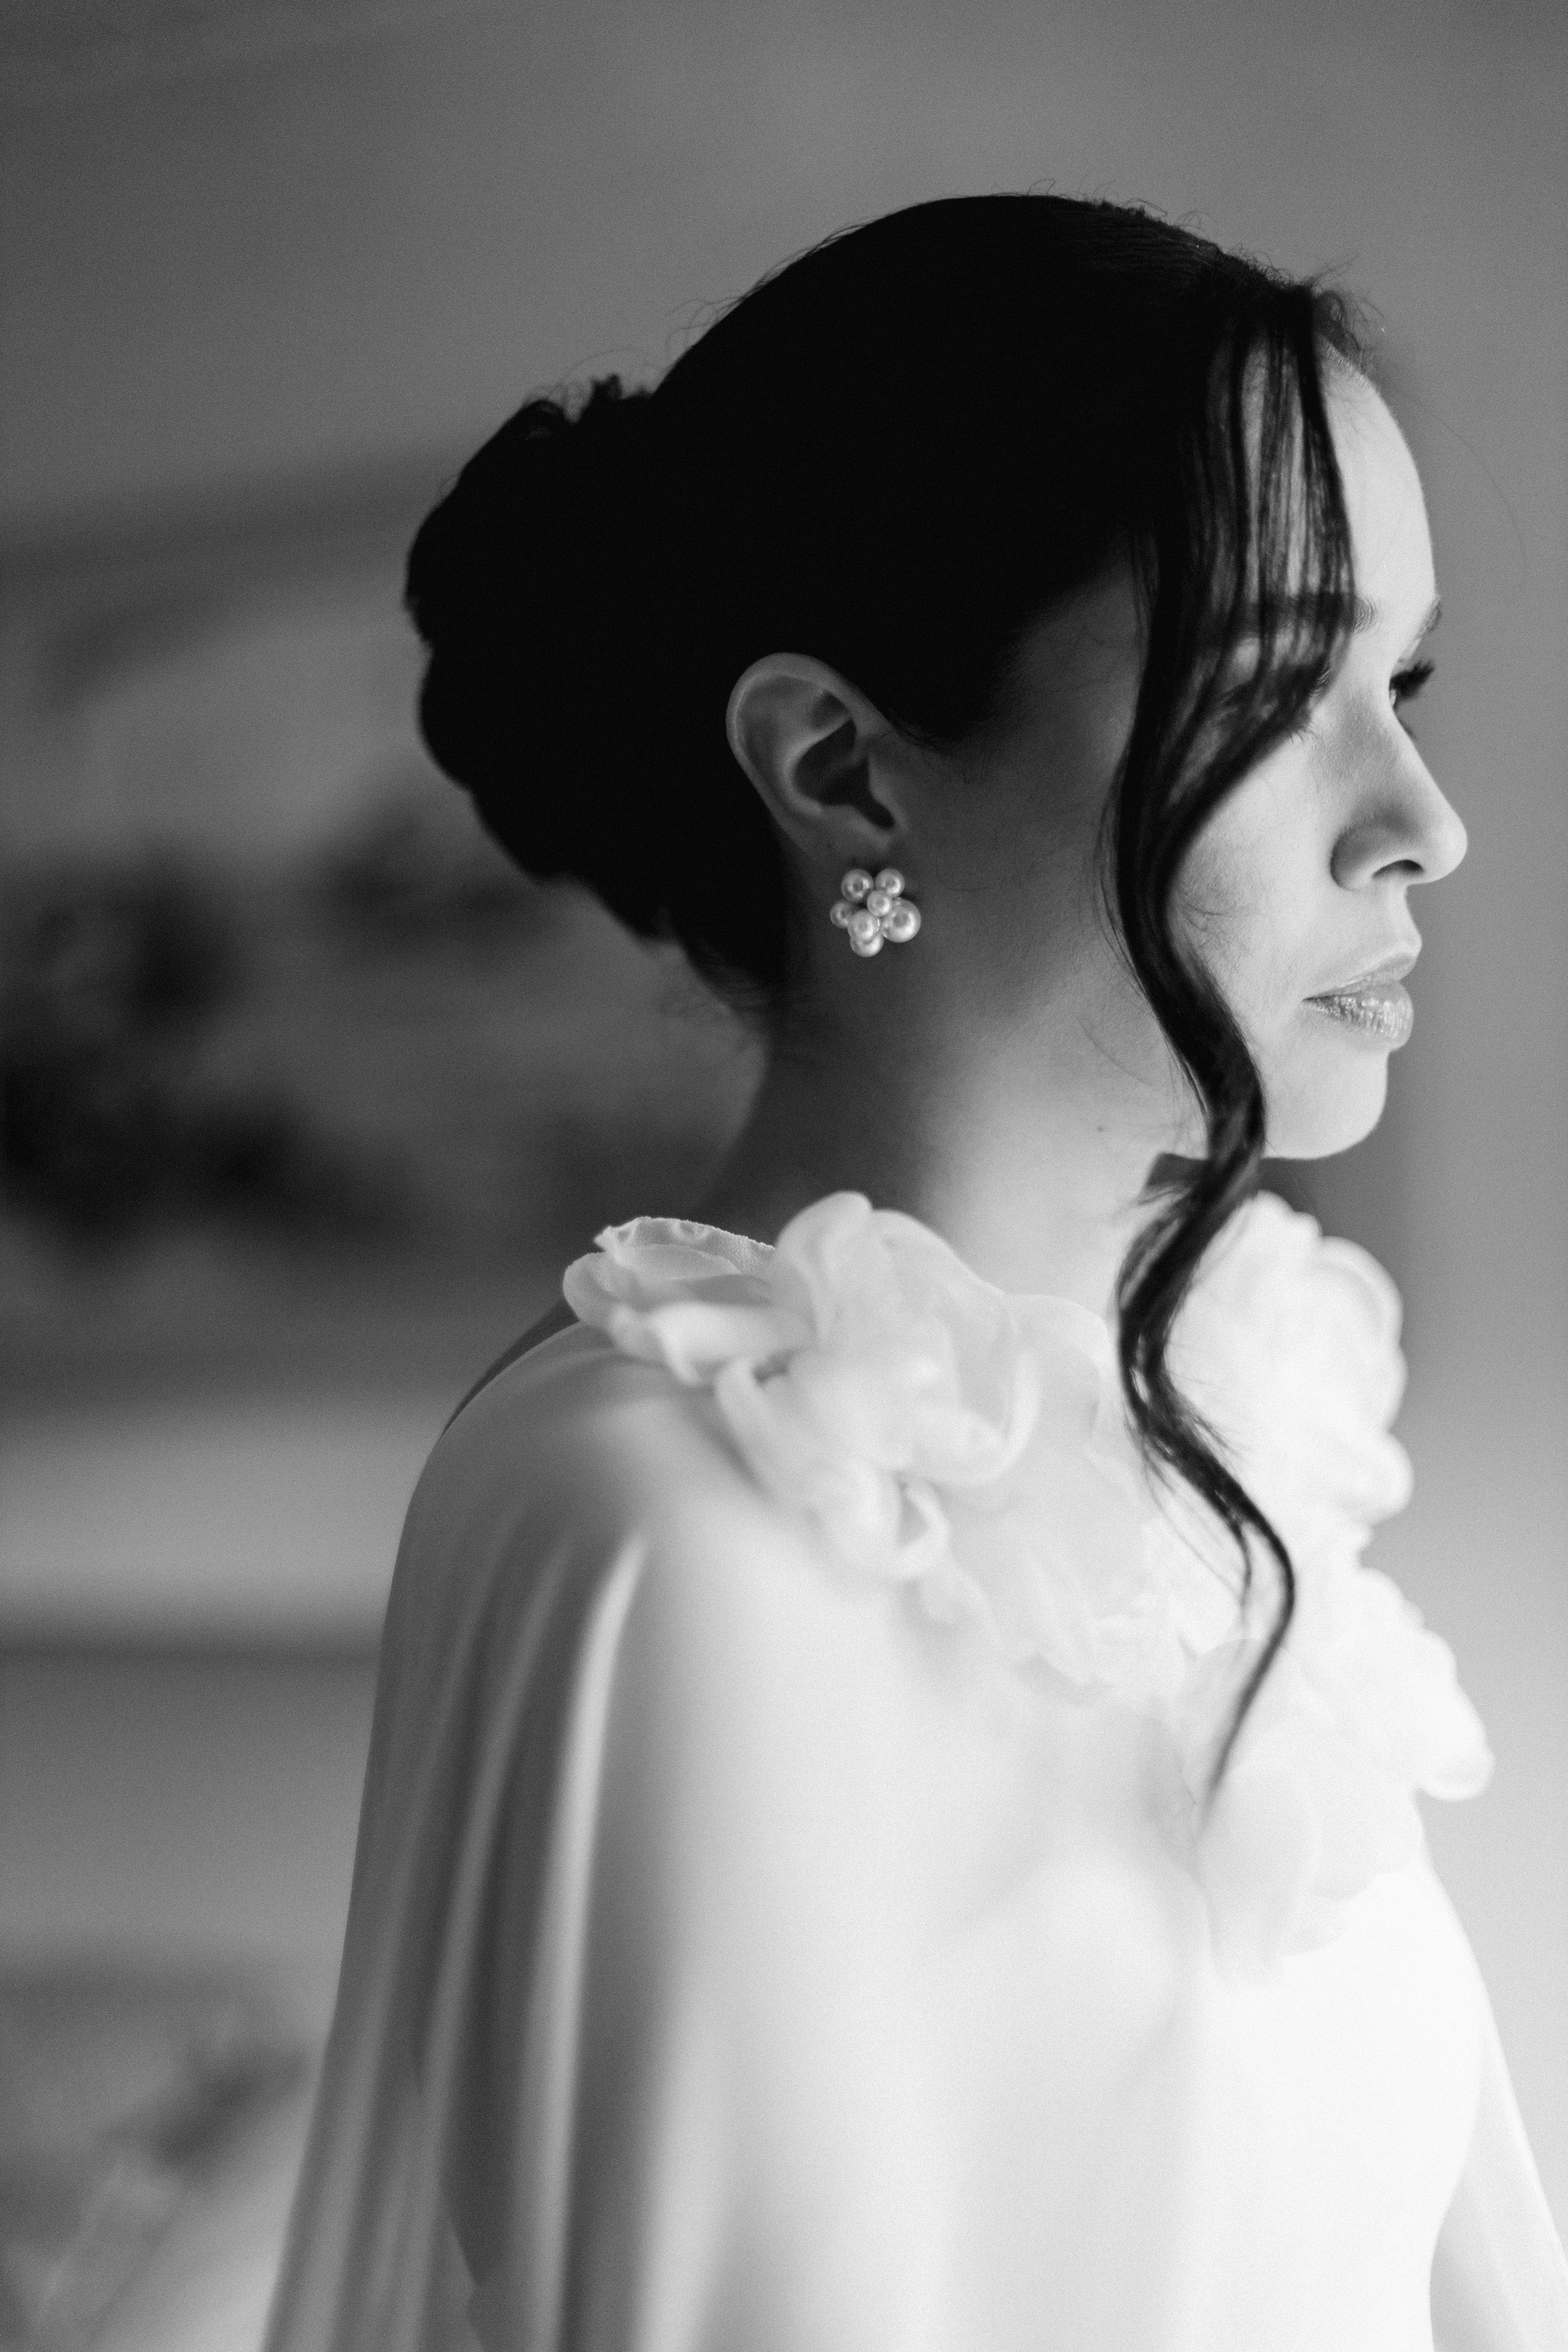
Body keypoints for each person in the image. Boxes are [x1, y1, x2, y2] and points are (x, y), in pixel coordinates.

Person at [263, 194, 1568, 2350]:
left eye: (1397, 680)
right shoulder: (671, 1517)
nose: (1422, 817)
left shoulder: (1227, 1433)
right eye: (1273, 685)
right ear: (842, 768)